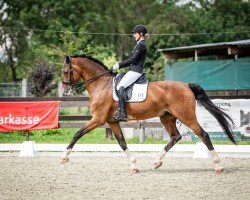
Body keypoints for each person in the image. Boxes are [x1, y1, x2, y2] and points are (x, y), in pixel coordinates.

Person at [112, 24, 148, 122]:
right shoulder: (139, 45)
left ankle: (123, 113)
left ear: (141, 34)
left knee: (120, 87)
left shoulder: (141, 45)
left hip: (136, 71)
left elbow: (132, 60)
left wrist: (118, 65)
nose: (134, 35)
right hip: (133, 70)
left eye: (135, 33)